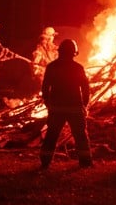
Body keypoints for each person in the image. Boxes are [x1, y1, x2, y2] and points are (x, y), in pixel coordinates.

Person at [39, 38, 92, 169]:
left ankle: (45, 161)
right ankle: (85, 162)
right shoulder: (78, 68)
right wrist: (84, 105)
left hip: (57, 107)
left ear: (60, 51)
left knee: (52, 135)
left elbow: (45, 87)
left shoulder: (52, 67)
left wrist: (47, 102)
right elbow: (85, 88)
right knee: (80, 135)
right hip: (74, 107)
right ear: (74, 53)